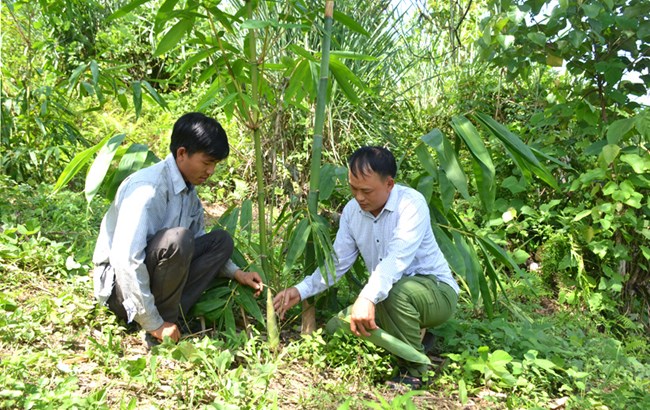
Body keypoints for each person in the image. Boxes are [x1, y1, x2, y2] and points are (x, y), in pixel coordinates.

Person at [273, 146, 459, 388]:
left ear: (389, 184)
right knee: (335, 329)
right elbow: (337, 263)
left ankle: (413, 370)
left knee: (394, 295)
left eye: (366, 190)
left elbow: (396, 260)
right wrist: (300, 290)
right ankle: (415, 334)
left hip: (436, 292)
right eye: (353, 188)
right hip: (385, 295)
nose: (359, 197)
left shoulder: (411, 204)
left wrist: (368, 297)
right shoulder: (352, 212)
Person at [93, 112, 263, 344]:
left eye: (214, 164)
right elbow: (126, 260)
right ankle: (159, 325)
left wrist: (237, 273)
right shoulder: (147, 189)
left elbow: (198, 242)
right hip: (120, 292)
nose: (211, 171)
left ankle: (168, 318)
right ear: (182, 153)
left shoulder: (189, 193)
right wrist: (154, 323)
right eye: (207, 162)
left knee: (220, 242)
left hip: (154, 283)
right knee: (178, 240)